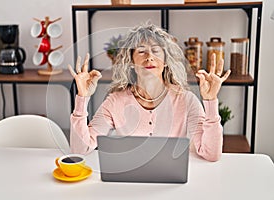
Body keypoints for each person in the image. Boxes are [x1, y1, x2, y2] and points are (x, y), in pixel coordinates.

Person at [68, 23, 230, 162]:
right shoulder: (115, 101)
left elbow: (211, 154)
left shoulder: (186, 100)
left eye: (156, 51)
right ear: (131, 61)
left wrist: (210, 101)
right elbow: (80, 149)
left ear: (166, 61)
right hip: (130, 181)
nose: (149, 57)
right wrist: (82, 98)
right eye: (141, 51)